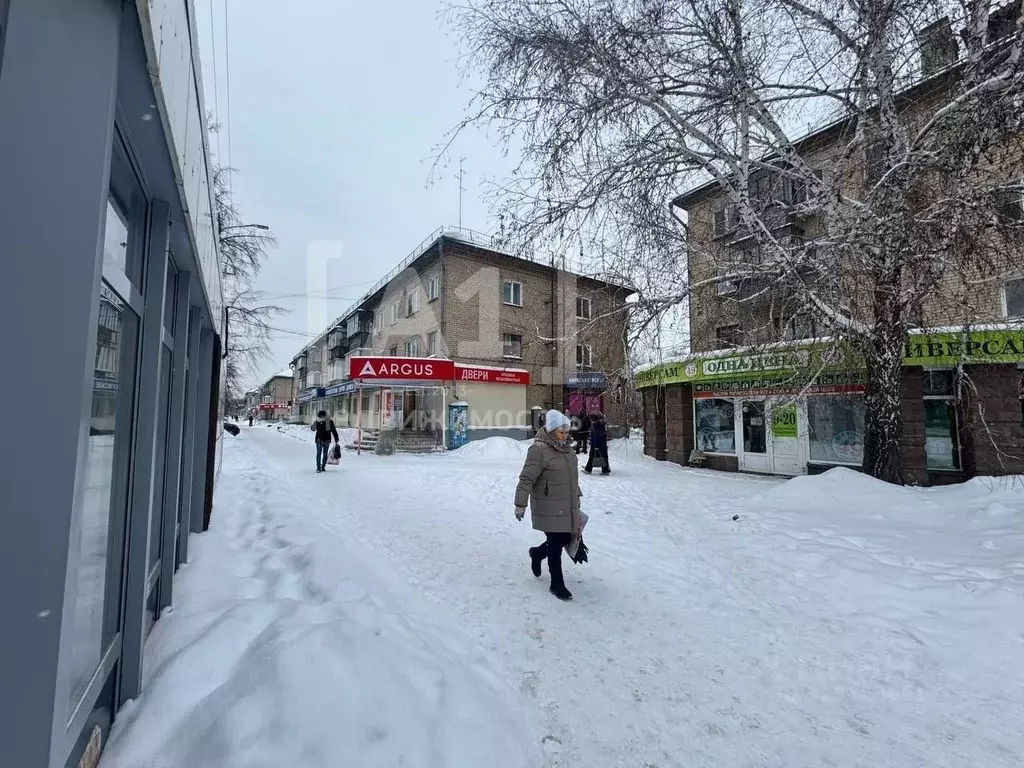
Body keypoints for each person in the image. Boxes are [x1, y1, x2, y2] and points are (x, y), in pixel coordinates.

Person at [514, 409, 582, 601]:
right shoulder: (539, 450)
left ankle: (537, 553)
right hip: (547, 505)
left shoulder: (567, 449)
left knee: (563, 538)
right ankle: (557, 583)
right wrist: (520, 503)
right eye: (561, 431)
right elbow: (527, 478)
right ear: (551, 430)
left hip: (566, 503)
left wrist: (577, 496)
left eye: (567, 431)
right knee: (555, 543)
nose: (565, 435)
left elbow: (571, 478)